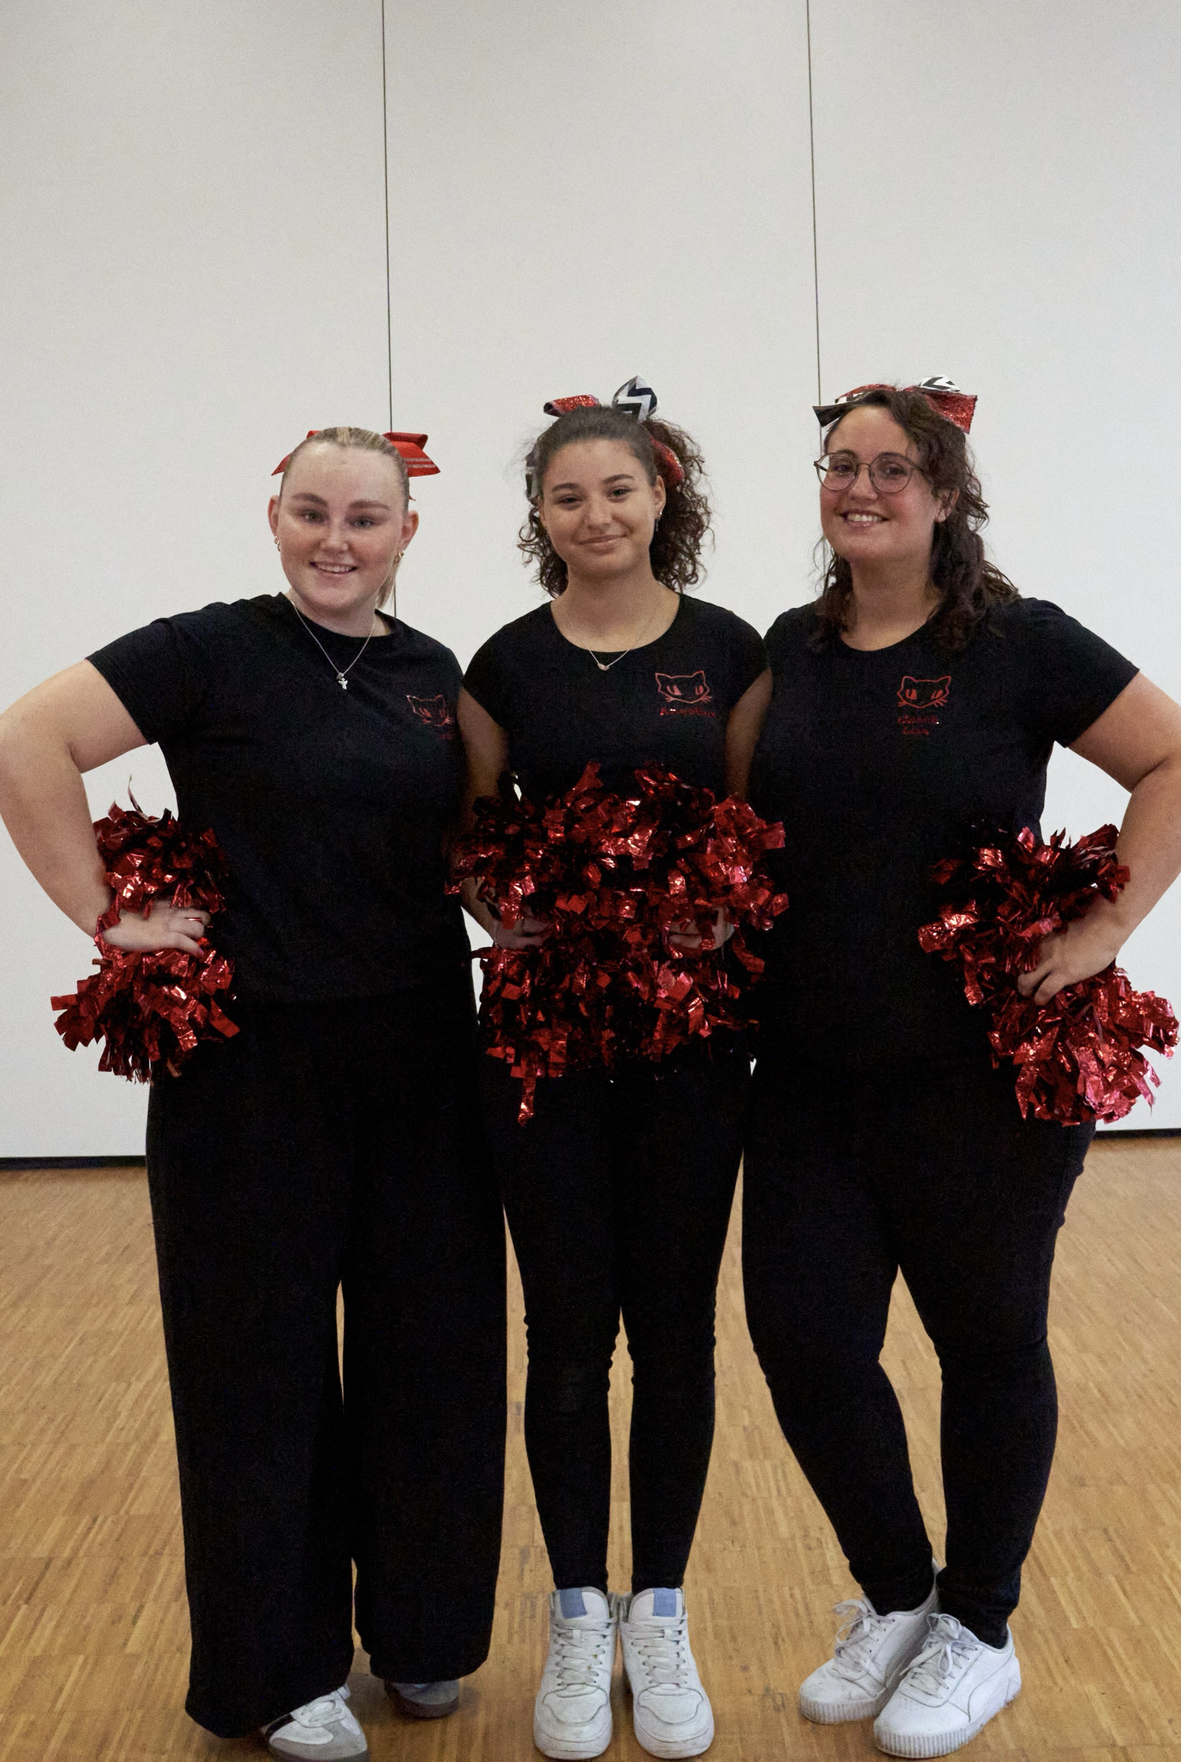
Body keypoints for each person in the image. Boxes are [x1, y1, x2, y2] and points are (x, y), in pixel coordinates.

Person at [0, 427, 507, 1762]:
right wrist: (106, 914)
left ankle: (424, 1632)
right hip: (247, 1071)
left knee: (435, 1355)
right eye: (311, 512)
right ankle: (279, 1672)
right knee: (255, 1371)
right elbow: (27, 737)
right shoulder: (207, 649)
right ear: (274, 516)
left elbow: (468, 855)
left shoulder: (433, 675)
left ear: (407, 534)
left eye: (364, 518)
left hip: (420, 1061)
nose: (336, 539)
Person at [743, 381, 1181, 1758]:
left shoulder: (1019, 642)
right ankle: (902, 1595)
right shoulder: (793, 645)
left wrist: (1106, 926)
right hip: (810, 1070)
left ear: (948, 494)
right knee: (806, 1342)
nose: (861, 487)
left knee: (988, 1340)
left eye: (894, 468)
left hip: (980, 1076)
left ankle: (982, 1626)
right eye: (841, 464)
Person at [457, 380, 771, 1761]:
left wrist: (721, 914)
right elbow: (473, 832)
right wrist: (503, 907)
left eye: (619, 491)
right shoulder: (505, 662)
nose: (595, 515)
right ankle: (579, 1607)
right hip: (547, 1040)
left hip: (691, 1038)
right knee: (567, 1332)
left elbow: (755, 826)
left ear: (662, 498)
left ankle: (662, 1607)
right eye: (567, 496)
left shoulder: (729, 648)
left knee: (678, 1331)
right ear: (540, 514)